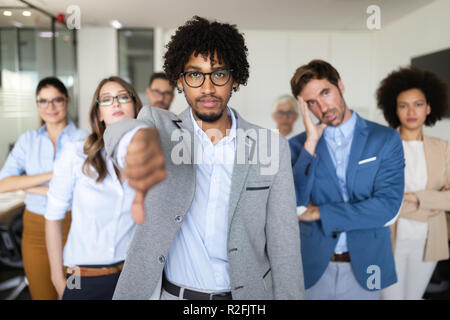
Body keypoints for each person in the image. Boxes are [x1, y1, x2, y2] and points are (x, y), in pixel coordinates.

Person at [104, 16, 305, 300]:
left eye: (219, 74)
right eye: (195, 75)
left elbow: (285, 247)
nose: (208, 88)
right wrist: (132, 144)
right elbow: (121, 132)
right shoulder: (158, 128)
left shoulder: (270, 146)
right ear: (180, 81)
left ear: (234, 79)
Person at [289, 59, 405, 300]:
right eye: (312, 102)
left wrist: (320, 212)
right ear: (304, 106)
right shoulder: (297, 147)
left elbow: (386, 208)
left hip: (367, 266)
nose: (322, 106)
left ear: (340, 86)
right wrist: (310, 144)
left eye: (325, 93)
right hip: (312, 267)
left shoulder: (385, 139)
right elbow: (296, 207)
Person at [45, 76, 142, 300]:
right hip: (83, 275)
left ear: (135, 105)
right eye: (106, 100)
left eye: (122, 97)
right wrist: (58, 279)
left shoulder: (150, 157)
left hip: (132, 277)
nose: (116, 103)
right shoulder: (75, 154)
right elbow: (53, 217)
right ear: (99, 113)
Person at [0, 77, 88, 300]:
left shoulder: (83, 140)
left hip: (74, 228)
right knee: (42, 295)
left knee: (74, 293)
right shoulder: (27, 140)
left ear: (67, 102)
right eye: (44, 101)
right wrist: (56, 176)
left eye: (57, 100)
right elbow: (3, 184)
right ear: (37, 104)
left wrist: (28, 183)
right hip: (36, 230)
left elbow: (84, 188)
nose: (50, 107)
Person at [376, 66, 450, 300]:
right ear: (394, 109)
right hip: (390, 240)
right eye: (403, 105)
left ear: (428, 108)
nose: (411, 111)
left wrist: (411, 197)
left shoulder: (443, 148)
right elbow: (378, 198)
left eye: (418, 104)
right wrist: (431, 200)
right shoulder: (382, 146)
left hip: (429, 240)